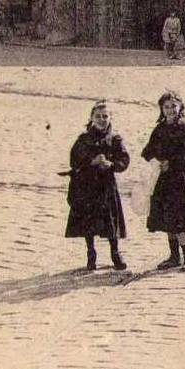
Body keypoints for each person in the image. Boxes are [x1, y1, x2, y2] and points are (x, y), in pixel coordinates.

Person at [64, 100, 129, 271]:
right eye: (98, 116)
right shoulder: (84, 140)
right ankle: (91, 253)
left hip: (107, 186)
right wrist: (91, 162)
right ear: (91, 118)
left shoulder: (115, 139)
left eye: (105, 116)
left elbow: (124, 159)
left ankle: (115, 253)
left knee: (110, 220)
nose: (101, 120)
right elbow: (74, 160)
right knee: (89, 221)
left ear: (111, 118)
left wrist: (111, 164)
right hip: (87, 186)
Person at [141, 91, 185, 270]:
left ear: (180, 107)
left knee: (179, 219)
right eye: (166, 107)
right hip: (164, 180)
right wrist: (156, 161)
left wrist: (172, 163)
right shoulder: (159, 129)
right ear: (161, 109)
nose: (170, 110)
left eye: (173, 106)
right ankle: (174, 256)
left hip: (181, 181)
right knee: (167, 218)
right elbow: (147, 151)